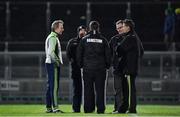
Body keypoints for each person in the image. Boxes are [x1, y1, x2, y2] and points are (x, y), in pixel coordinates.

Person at [77, 21, 111, 114]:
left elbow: (79, 54)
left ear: (90, 28)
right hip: (101, 69)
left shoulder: (84, 39)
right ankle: (100, 109)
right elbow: (108, 55)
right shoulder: (103, 40)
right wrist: (107, 66)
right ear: (98, 28)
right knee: (100, 90)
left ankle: (88, 109)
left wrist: (81, 65)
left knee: (87, 90)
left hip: (87, 68)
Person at [114, 19, 144, 114]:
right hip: (132, 67)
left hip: (129, 69)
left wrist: (117, 47)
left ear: (128, 27)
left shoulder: (130, 37)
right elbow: (142, 51)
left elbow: (119, 49)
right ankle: (128, 108)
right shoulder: (136, 37)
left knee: (130, 90)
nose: (122, 28)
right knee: (129, 89)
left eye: (123, 26)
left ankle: (132, 108)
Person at [45, 20, 64, 113]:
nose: (62, 29)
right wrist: (57, 61)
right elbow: (51, 52)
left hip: (49, 63)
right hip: (52, 64)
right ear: (56, 28)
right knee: (54, 87)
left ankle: (49, 108)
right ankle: (55, 108)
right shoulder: (53, 37)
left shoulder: (51, 36)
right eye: (61, 27)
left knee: (50, 86)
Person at [66, 25, 87, 113]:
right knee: (77, 90)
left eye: (84, 30)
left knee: (88, 90)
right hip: (76, 70)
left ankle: (88, 108)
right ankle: (76, 109)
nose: (82, 32)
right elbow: (68, 54)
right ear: (78, 32)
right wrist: (74, 63)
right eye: (80, 30)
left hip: (87, 70)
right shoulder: (72, 41)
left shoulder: (88, 41)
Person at [109, 20, 124, 113]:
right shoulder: (114, 39)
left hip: (127, 68)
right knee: (117, 89)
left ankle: (126, 108)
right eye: (117, 28)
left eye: (121, 27)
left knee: (126, 90)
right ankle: (118, 108)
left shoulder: (130, 38)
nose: (119, 30)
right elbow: (108, 53)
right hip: (117, 68)